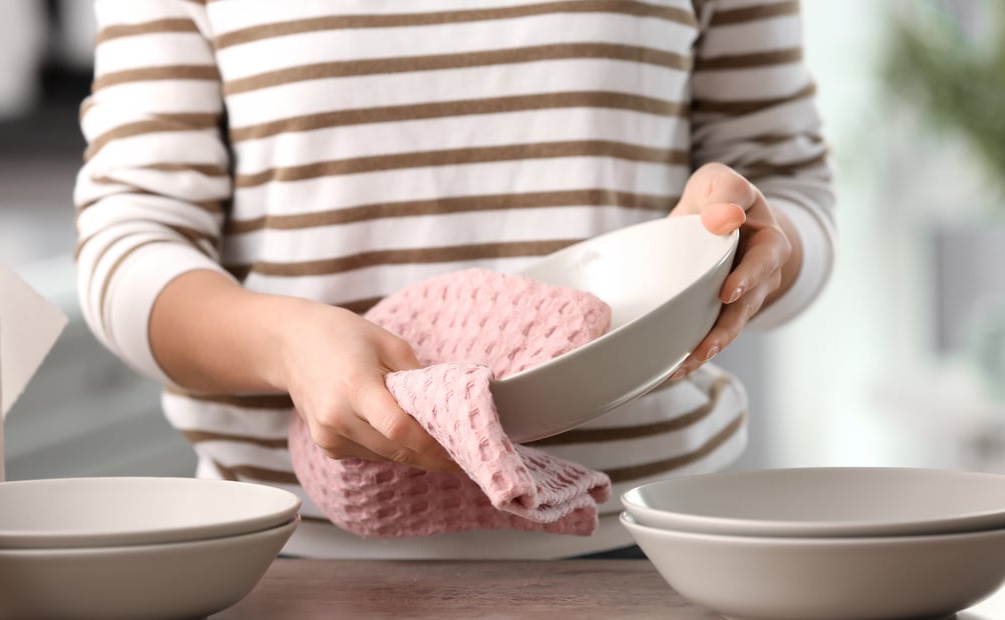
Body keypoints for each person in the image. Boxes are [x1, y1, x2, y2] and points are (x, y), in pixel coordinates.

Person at [74, 0, 835, 559]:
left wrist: (758, 248)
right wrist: (286, 344)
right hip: (283, 562)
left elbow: (789, 186)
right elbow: (128, 242)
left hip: (650, 545)